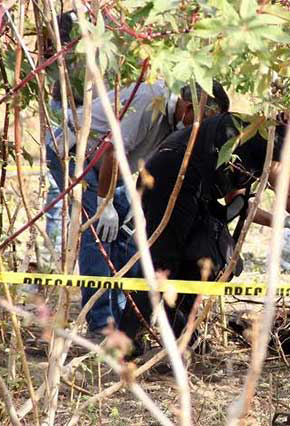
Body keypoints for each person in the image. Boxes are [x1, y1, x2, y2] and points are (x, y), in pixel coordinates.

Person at [118, 111, 290, 352]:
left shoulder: (250, 143)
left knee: (201, 259)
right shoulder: (266, 137)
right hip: (174, 178)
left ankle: (184, 337)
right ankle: (127, 343)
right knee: (163, 261)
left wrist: (279, 222)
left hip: (191, 188)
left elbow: (239, 203)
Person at [46, 79, 230, 338]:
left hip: (112, 171)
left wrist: (139, 204)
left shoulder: (174, 124)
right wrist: (105, 204)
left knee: (129, 240)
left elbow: (151, 164)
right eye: (205, 122)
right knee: (97, 234)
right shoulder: (149, 102)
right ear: (188, 108)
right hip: (75, 154)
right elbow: (112, 152)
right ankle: (101, 324)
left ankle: (123, 317)